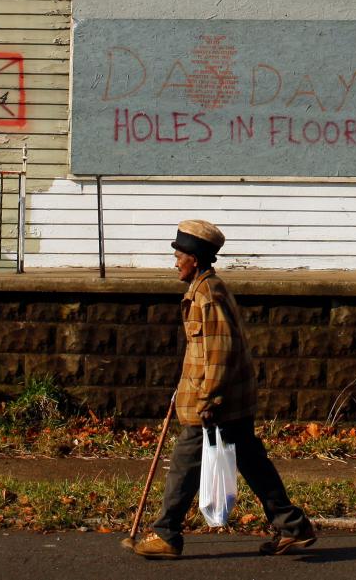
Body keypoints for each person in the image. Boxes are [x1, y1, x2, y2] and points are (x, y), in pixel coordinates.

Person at [132, 218, 316, 559]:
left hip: (217, 401)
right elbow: (201, 351)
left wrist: (208, 397)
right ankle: (293, 526)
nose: (174, 262)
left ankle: (165, 534)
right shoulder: (206, 289)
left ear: (196, 259)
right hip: (227, 398)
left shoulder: (207, 295)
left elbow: (219, 352)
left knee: (185, 463)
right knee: (251, 460)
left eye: (179, 255)